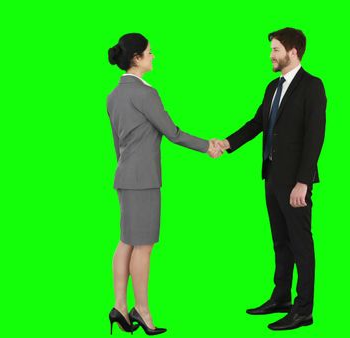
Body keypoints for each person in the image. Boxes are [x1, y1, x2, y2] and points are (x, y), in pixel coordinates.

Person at [106, 33, 223, 335]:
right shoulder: (146, 94)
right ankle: (142, 311)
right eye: (149, 52)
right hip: (144, 179)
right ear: (136, 59)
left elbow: (117, 143)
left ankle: (119, 307)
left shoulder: (114, 95)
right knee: (143, 246)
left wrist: (126, 167)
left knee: (126, 242)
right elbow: (172, 132)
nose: (153, 56)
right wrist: (207, 145)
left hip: (124, 176)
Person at [215, 27, 327, 331]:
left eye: (275, 49)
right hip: (272, 176)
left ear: (293, 52)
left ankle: (303, 309)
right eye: (271, 50)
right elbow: (258, 123)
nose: (271, 55)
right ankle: (281, 297)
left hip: (295, 182)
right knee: (280, 241)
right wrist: (227, 143)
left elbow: (315, 136)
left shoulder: (312, 86)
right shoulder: (272, 87)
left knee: (301, 243)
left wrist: (303, 182)